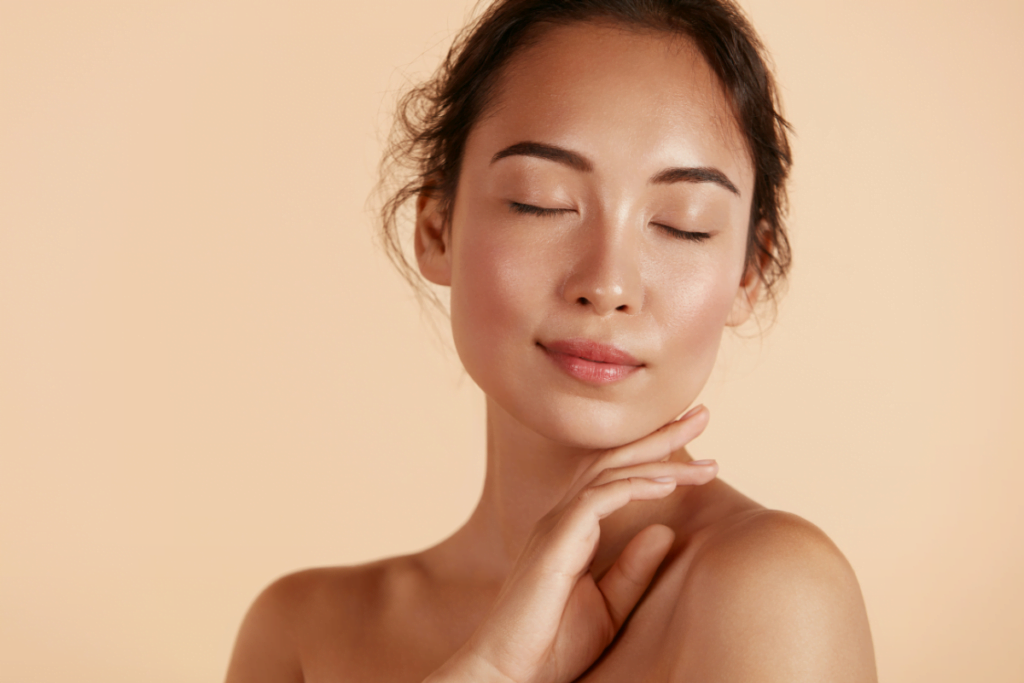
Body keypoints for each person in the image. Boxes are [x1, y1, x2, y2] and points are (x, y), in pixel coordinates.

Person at [225, 0, 877, 680]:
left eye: (684, 224)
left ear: (750, 270)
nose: (608, 283)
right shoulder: (303, 631)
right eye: (541, 201)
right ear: (437, 226)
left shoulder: (774, 594)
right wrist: (489, 668)